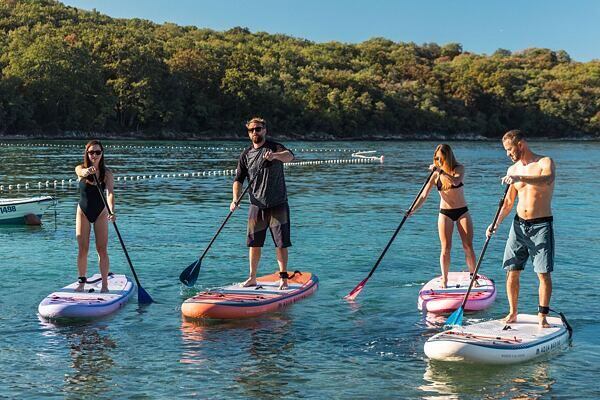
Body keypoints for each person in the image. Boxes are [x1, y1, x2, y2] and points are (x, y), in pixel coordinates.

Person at [486, 129, 555, 328]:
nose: (508, 153)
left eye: (509, 149)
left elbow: (547, 179)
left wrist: (521, 178)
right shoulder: (512, 170)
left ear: (520, 144)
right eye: (506, 150)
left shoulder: (544, 162)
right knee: (512, 270)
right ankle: (512, 312)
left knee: (543, 273)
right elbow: (508, 203)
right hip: (518, 225)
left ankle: (542, 316)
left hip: (541, 225)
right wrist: (495, 223)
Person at [231, 117, 295, 290]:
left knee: (281, 243)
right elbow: (238, 180)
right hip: (256, 205)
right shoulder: (245, 154)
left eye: (258, 129)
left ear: (264, 130)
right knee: (254, 244)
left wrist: (274, 156)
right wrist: (235, 198)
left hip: (277, 203)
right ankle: (252, 278)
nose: (255, 132)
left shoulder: (274, 147)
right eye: (251, 130)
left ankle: (283, 278)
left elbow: (290, 156)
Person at [409, 144, 477, 288]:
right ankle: (444, 280)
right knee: (445, 248)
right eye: (437, 158)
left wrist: (441, 171)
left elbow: (456, 181)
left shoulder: (459, 168)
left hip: (462, 212)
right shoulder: (435, 175)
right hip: (445, 213)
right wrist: (412, 209)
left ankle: (473, 277)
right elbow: (423, 195)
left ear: (448, 157)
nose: (438, 161)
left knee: (468, 246)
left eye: (441, 158)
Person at [74, 140, 116, 293]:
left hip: (101, 212)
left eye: (98, 152)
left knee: (102, 249)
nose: (94, 155)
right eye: (91, 152)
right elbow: (81, 173)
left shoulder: (107, 174)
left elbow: (110, 193)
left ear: (102, 154)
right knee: (83, 249)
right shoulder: (80, 168)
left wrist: (112, 211)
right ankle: (81, 283)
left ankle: (105, 285)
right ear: (87, 154)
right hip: (83, 212)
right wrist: (87, 172)